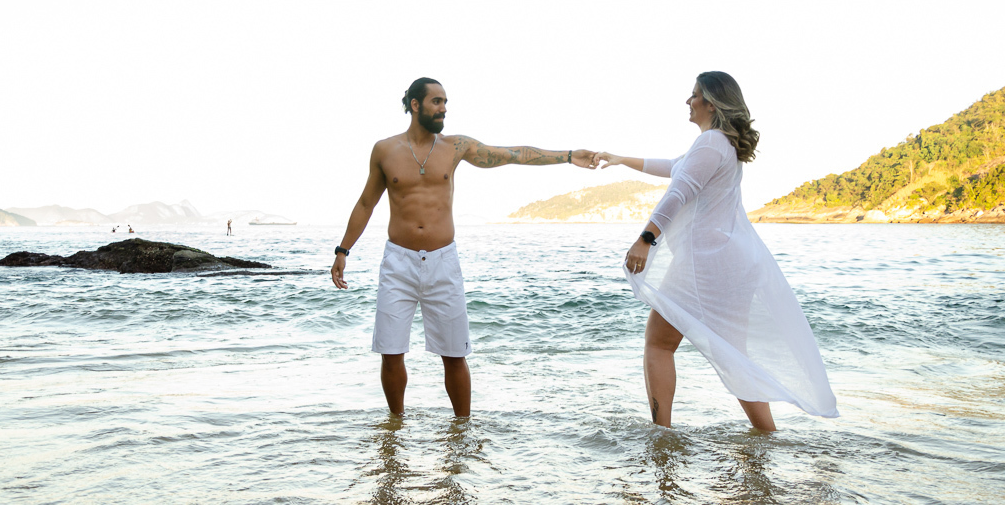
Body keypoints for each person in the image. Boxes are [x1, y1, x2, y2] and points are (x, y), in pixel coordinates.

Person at [331, 77, 596, 417]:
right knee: (391, 351)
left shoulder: (455, 147)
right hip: (398, 262)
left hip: (443, 261)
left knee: (455, 354)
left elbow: (512, 155)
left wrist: (569, 156)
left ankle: (462, 430)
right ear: (415, 105)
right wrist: (343, 251)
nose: (443, 108)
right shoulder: (385, 150)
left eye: (445, 102)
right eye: (436, 102)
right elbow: (367, 203)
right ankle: (395, 428)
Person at [593, 71, 838, 431]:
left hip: (705, 261)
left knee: (658, 344)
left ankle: (662, 434)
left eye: (694, 95)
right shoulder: (721, 145)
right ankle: (766, 434)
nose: (688, 101)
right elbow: (673, 168)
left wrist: (646, 239)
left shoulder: (710, 143)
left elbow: (679, 193)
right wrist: (619, 158)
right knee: (736, 354)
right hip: (733, 263)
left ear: (711, 103)